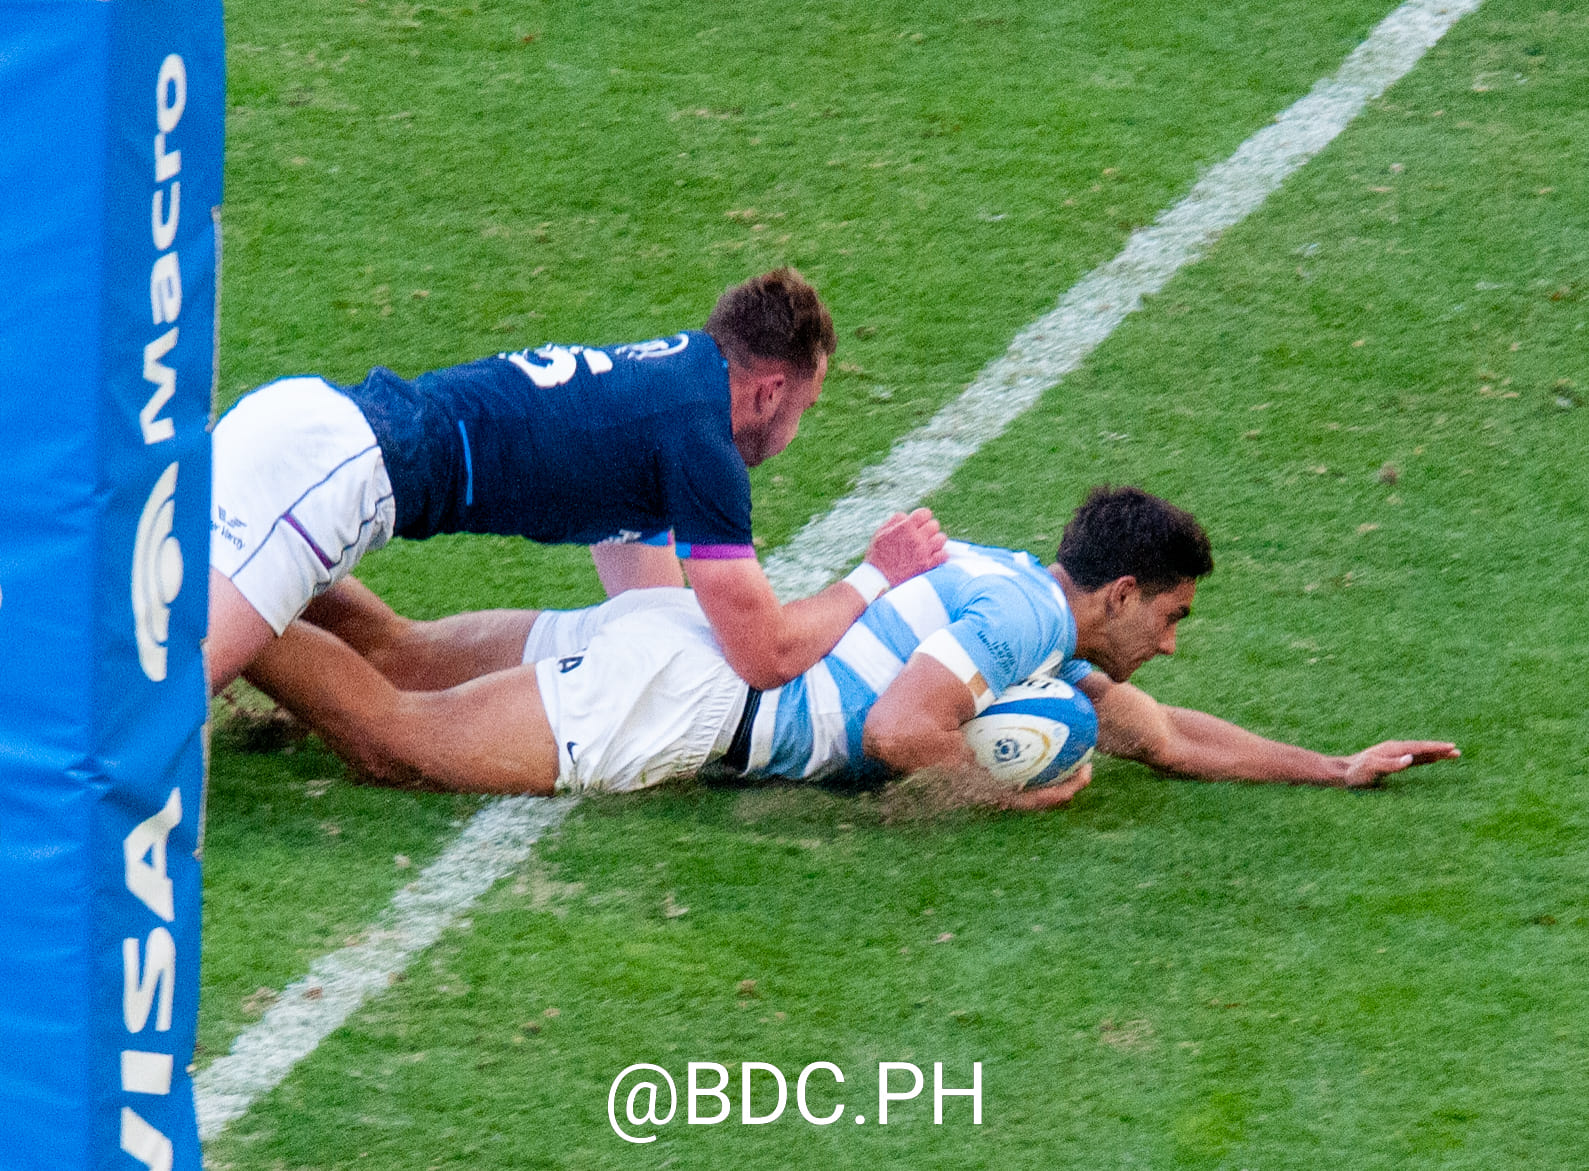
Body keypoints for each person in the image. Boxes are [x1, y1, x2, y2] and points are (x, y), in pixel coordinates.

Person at [242, 486, 1459, 810]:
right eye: (1174, 618)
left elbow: (1169, 738)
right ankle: (190, 605)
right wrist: (998, 789)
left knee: (398, 650)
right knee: (391, 741)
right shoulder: (1028, 624)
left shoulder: (1016, 596)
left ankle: (230, 538)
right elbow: (896, 729)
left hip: (681, 635)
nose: (1173, 648)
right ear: (1123, 591)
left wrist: (1332, 763)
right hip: (689, 698)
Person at [208, 267, 947, 693]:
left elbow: (656, 616)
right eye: (802, 410)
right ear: (768, 390)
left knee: (144, 609)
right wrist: (875, 577)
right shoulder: (701, 444)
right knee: (160, 703)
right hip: (326, 475)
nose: (792, 434)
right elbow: (764, 656)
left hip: (313, 437)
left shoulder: (673, 385)